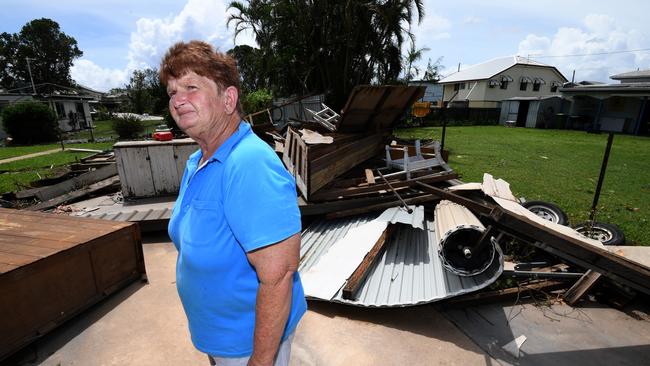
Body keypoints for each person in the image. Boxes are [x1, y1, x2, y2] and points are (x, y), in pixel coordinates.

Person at [160, 40, 306, 366]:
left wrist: (260, 361)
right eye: (172, 92)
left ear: (228, 99)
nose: (178, 100)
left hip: (247, 344)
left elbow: (279, 275)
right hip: (221, 338)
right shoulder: (197, 160)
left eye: (191, 87)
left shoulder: (249, 163)